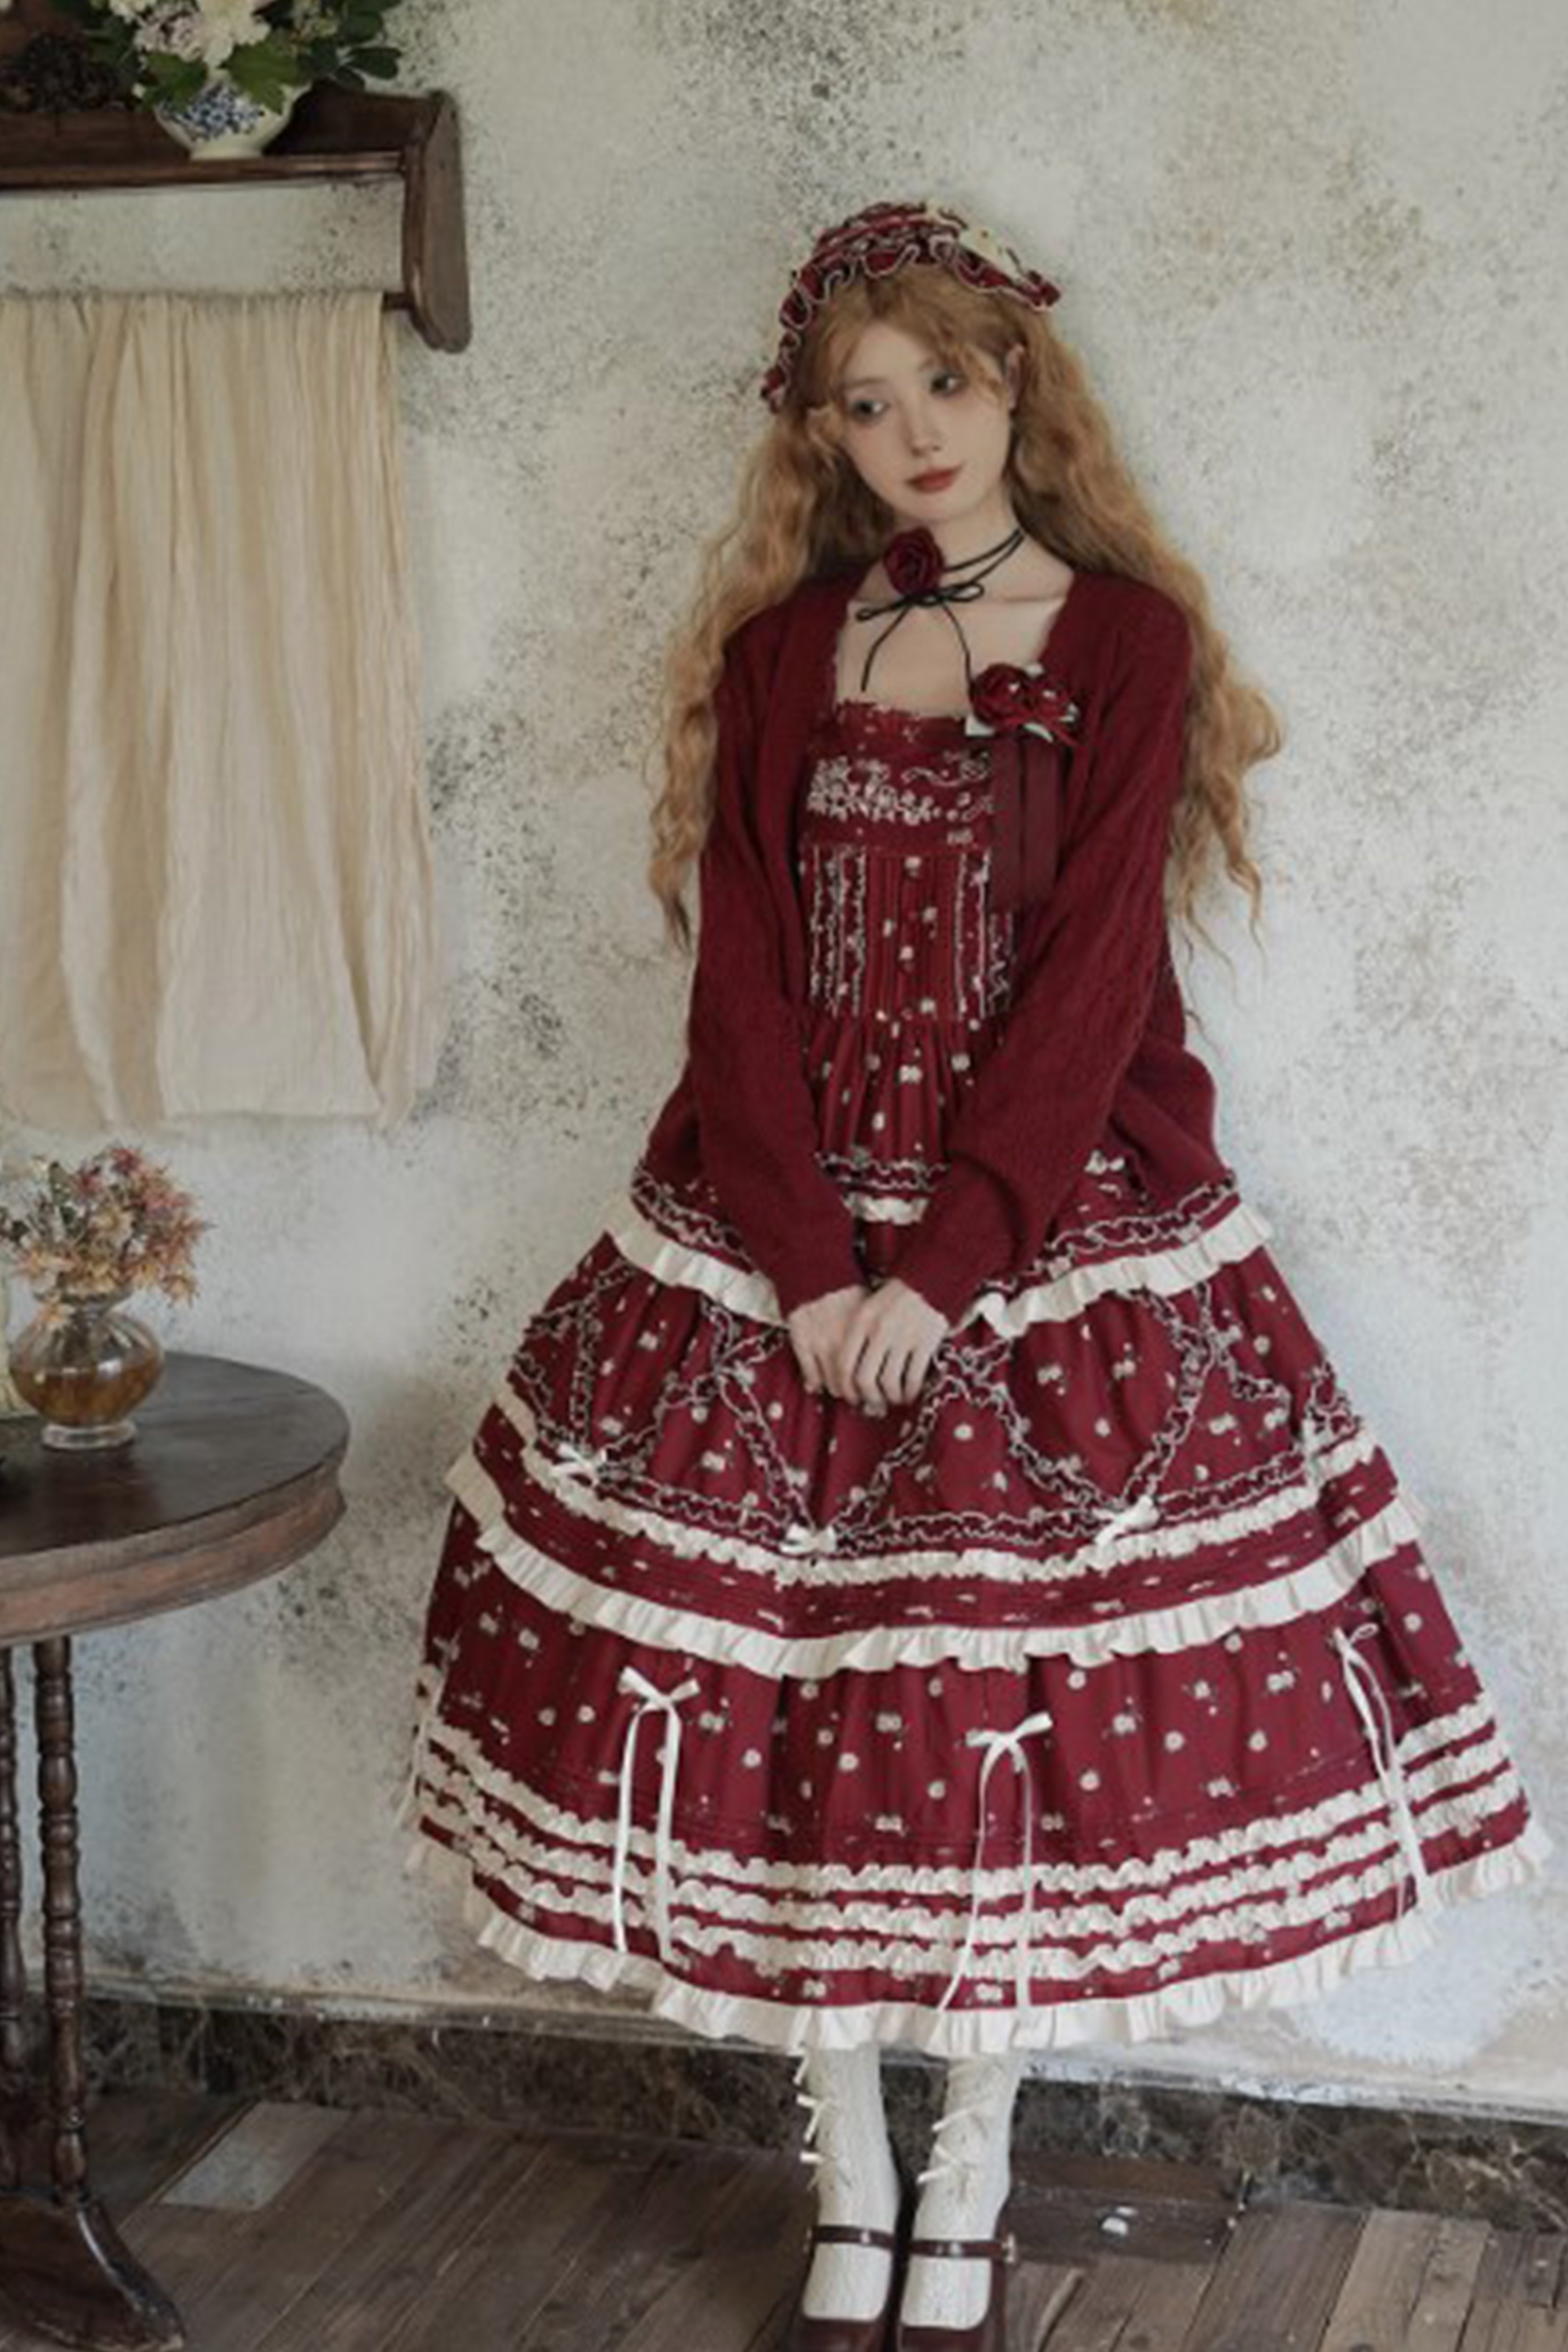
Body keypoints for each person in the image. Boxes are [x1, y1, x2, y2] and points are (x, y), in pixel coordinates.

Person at [399, 200, 1553, 2352]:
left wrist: (940, 1272)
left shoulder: (1123, 643)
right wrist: (807, 1265)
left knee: (1002, 1719)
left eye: (945, 378)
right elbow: (740, 986)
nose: (915, 429)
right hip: (776, 1235)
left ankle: (976, 2172)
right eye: (866, 403)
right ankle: (852, 2173)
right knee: (793, 1729)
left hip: (1043, 1229)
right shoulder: (784, 656)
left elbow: (1096, 983)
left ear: (1016, 379)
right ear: (821, 437)